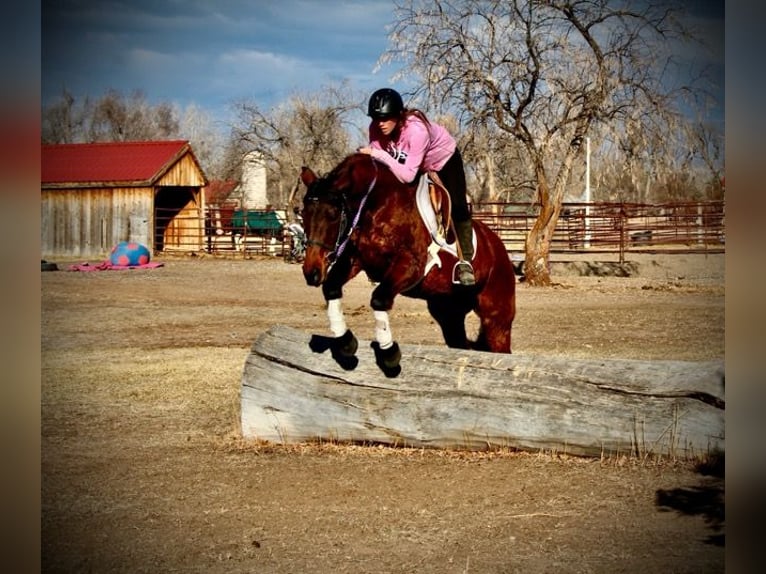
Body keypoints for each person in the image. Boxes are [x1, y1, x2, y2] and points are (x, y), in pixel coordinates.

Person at [357, 87, 476, 286]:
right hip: (413, 164)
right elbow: (383, 167)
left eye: (386, 118)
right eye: (376, 118)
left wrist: (378, 154)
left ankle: (466, 261)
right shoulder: (375, 128)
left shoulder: (416, 131)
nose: (380, 124)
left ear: (398, 115)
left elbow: (407, 174)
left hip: (444, 160)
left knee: (457, 204)